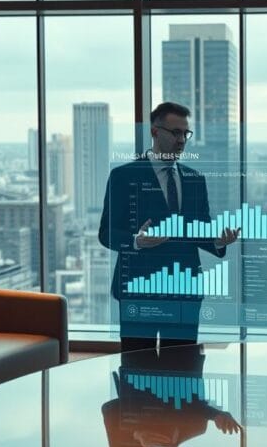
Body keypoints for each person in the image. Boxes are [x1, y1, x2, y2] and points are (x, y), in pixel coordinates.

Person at [99, 102, 240, 352]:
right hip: (139, 290)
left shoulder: (195, 179)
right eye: (175, 133)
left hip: (184, 292)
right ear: (155, 132)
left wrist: (218, 241)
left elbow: (199, 230)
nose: (181, 140)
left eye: (185, 134)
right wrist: (136, 241)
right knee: (137, 372)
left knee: (183, 373)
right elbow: (105, 233)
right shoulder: (124, 176)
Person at [102, 345, 242, 447]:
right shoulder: (198, 428)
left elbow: (108, 409)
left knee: (138, 324)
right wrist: (217, 415)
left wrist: (137, 433)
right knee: (180, 323)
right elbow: (196, 405)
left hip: (138, 361)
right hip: (183, 358)